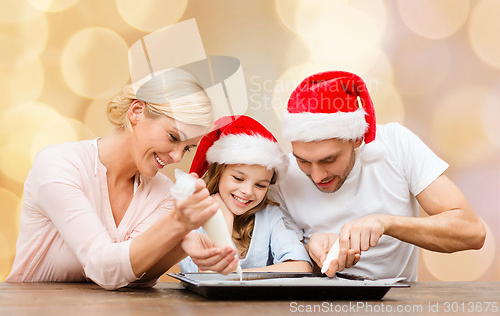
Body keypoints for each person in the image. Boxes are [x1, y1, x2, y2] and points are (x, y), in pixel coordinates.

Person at [5, 69, 239, 290]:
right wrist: (177, 224)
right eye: (173, 137)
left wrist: (179, 246)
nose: (177, 157)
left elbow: (131, 277)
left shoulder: (163, 193)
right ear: (136, 112)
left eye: (187, 148)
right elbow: (102, 268)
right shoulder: (59, 165)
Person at [271, 70, 486, 281]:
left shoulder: (396, 144)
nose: (317, 176)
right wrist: (310, 252)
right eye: (303, 161)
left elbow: (471, 232)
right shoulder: (283, 175)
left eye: (329, 160)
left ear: (357, 138)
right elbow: (271, 263)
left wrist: (386, 224)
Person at [178, 115, 312, 273]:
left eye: (260, 185)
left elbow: (301, 267)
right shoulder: (192, 219)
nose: (247, 191)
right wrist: (224, 222)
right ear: (218, 173)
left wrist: (236, 276)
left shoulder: (270, 216)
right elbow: (208, 275)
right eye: (238, 178)